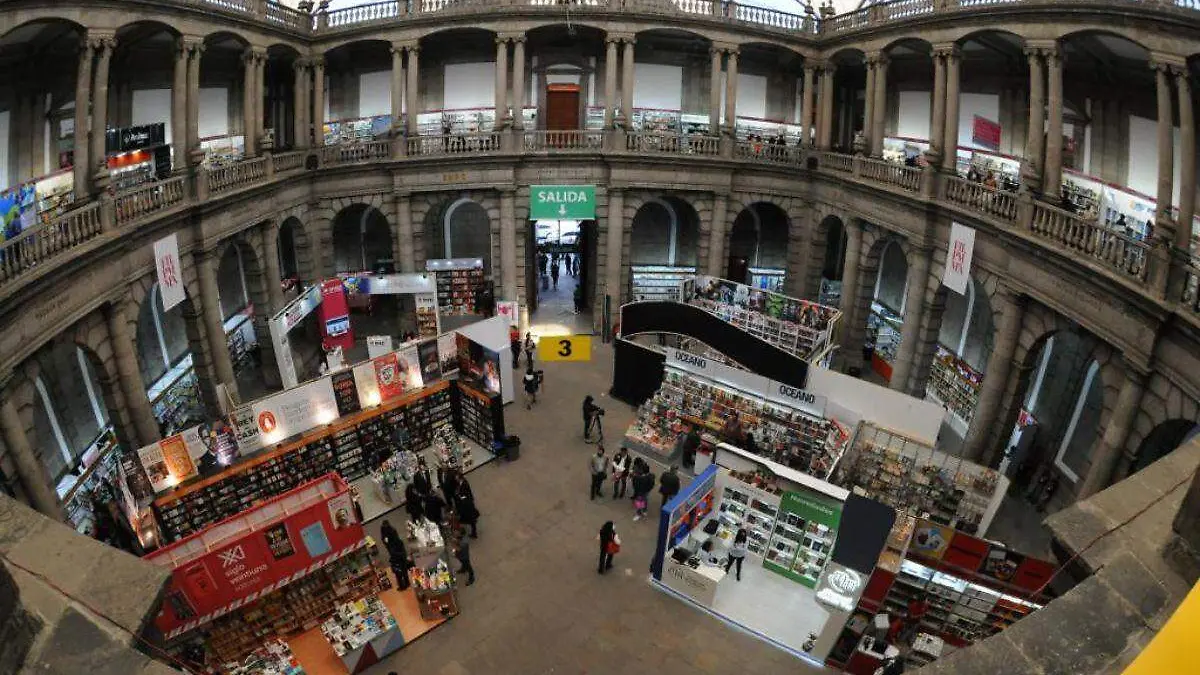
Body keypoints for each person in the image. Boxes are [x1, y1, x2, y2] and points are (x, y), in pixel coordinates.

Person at [380, 520, 411, 590]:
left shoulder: (385, 533)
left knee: (397, 571)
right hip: (400, 551)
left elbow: (386, 543)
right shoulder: (393, 530)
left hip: (394, 553)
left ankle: (402, 586)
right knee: (403, 568)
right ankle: (407, 582)